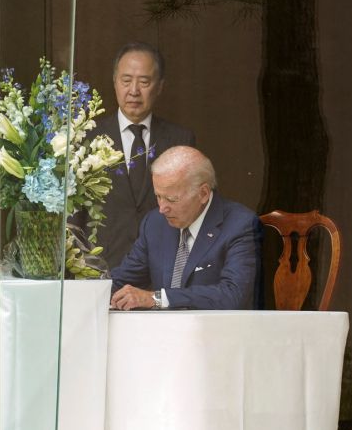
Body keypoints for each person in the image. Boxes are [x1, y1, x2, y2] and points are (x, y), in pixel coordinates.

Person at [110, 146, 261, 310]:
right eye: (158, 196)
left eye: (171, 199)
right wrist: (92, 290)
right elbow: (122, 281)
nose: (162, 208)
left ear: (203, 194)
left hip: (213, 325)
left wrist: (157, 298)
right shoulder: (154, 223)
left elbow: (233, 295)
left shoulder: (240, 224)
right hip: (161, 326)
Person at [88, 42, 196, 269]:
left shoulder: (180, 139)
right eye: (126, 80)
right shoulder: (87, 137)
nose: (134, 91)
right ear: (115, 82)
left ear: (160, 86)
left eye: (144, 82)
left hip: (162, 268)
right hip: (101, 267)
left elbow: (193, 209)